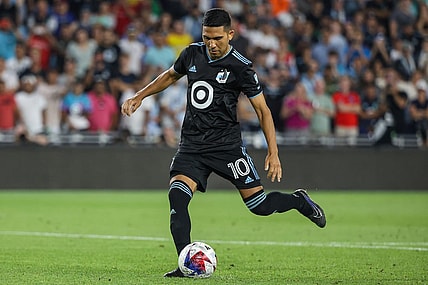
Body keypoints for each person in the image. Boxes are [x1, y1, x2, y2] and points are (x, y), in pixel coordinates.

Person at [121, 8, 326, 278]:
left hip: (227, 148)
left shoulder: (241, 67)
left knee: (259, 206)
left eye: (217, 38)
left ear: (230, 34)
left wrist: (273, 152)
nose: (211, 44)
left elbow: (263, 111)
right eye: (207, 37)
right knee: (177, 198)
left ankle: (299, 201)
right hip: (192, 146)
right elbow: (170, 76)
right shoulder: (192, 53)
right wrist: (140, 95)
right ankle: (187, 262)